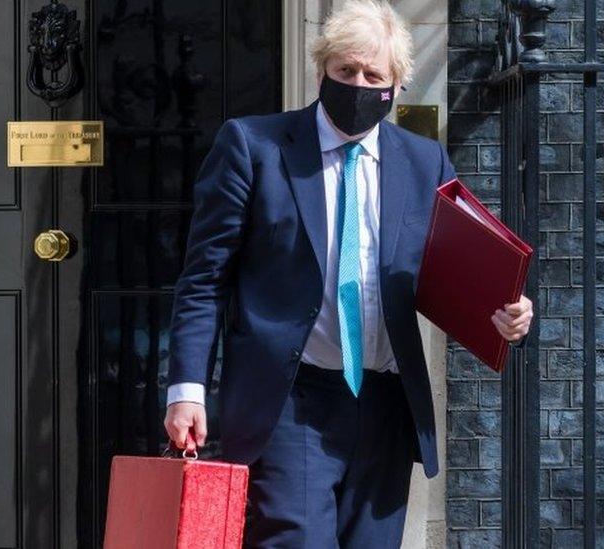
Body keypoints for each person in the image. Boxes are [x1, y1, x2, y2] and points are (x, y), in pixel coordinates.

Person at [164, 1, 533, 546]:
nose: (358, 84)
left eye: (373, 75)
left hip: (386, 401)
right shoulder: (254, 146)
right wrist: (186, 388)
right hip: (292, 401)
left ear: (396, 86)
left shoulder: (425, 163)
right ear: (322, 70)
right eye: (345, 71)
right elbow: (204, 279)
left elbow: (457, 268)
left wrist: (505, 312)